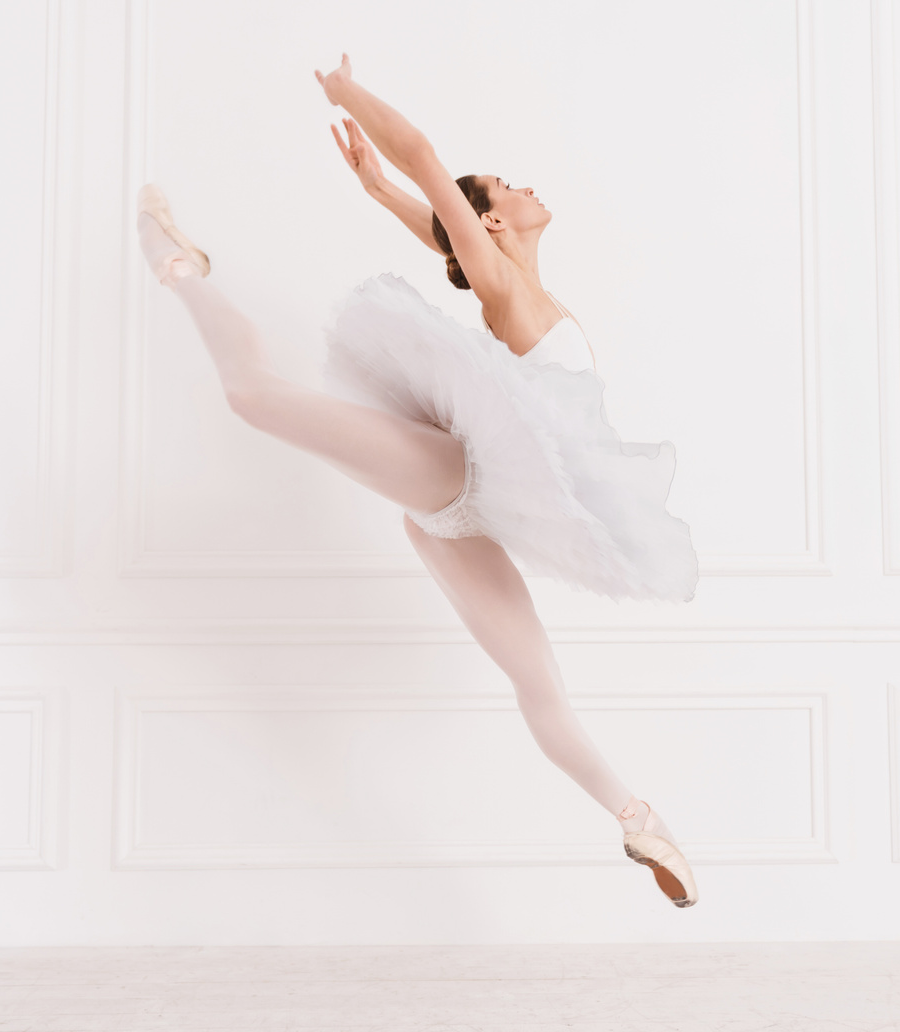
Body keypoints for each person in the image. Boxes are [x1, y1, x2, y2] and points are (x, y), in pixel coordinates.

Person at [133, 54, 700, 907]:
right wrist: (347, 94)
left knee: (538, 681)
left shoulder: (515, 279)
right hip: (451, 475)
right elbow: (429, 155)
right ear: (496, 226)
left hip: (460, 515)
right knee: (253, 396)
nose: (521, 186)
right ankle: (184, 270)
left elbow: (448, 231)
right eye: (504, 186)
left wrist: (386, 199)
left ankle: (637, 816)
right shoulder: (506, 287)